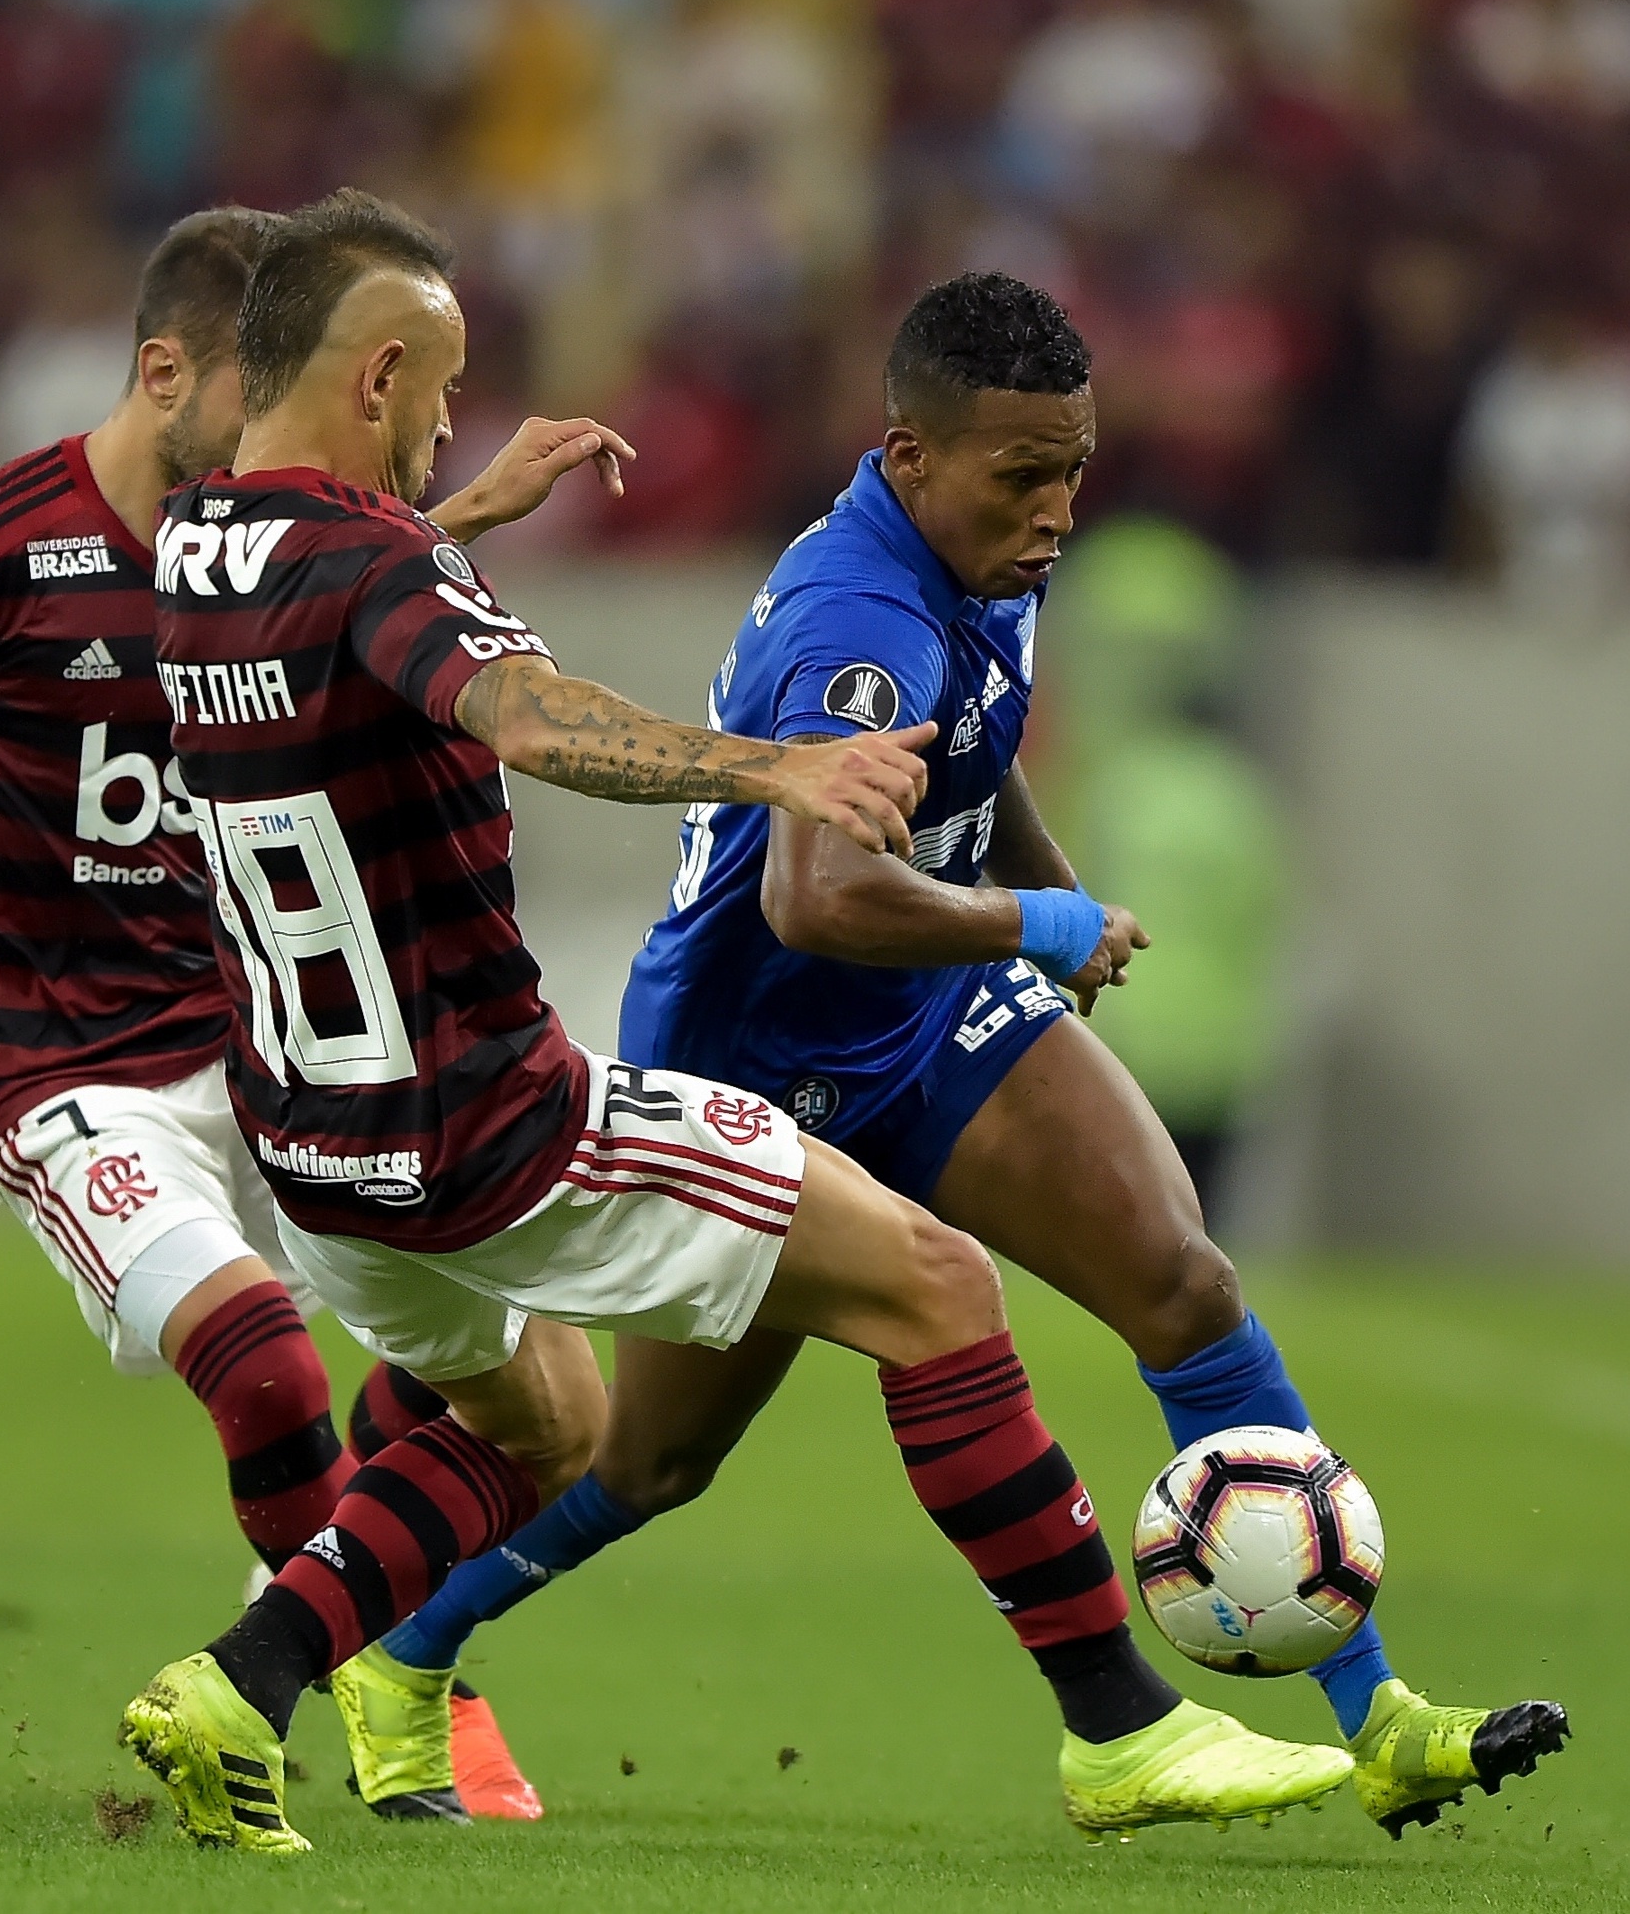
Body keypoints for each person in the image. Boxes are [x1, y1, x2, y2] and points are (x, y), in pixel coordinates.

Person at [117, 188, 1353, 1856]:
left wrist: (463, 513)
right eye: (440, 392)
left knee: (540, 1424)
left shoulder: (200, 543)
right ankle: (1121, 1729)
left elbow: (335, 584)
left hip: (307, 1142)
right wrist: (769, 763)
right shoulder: (391, 564)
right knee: (934, 1287)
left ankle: (241, 1682)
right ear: (379, 369)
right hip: (488, 1115)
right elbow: (531, 712)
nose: (443, 426)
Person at [364, 271, 1572, 1840]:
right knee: (653, 1461)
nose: (1059, 510)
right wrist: (1035, 924)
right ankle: (406, 1645)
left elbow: (974, 752)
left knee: (1183, 1283)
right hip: (755, 1057)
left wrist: (1047, 900)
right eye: (1025, 476)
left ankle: (1378, 1713)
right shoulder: (852, 619)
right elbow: (816, 894)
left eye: (1074, 469)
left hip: (925, 1017)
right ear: (910, 455)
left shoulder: (985, 540)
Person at [0, 204, 634, 1821]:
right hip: (59, 1069)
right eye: (266, 391)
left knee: (535, 1391)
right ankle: (307, 1703)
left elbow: (365, 617)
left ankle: (354, 1653)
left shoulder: (266, 549)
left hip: (265, 1052)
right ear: (167, 373)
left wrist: (454, 519)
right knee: (264, 1372)